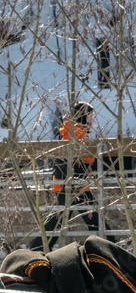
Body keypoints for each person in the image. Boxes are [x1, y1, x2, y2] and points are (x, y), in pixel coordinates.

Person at [31, 101, 102, 250]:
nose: (92, 120)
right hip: (73, 184)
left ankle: (38, 248)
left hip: (72, 184)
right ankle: (111, 247)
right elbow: (84, 159)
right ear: (82, 116)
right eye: (90, 116)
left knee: (59, 220)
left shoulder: (74, 131)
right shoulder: (76, 133)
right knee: (93, 219)